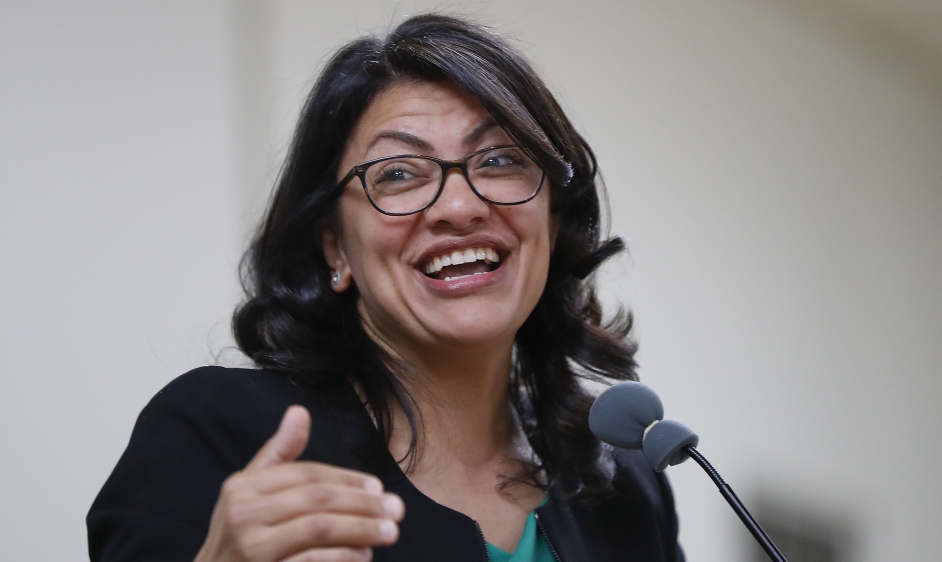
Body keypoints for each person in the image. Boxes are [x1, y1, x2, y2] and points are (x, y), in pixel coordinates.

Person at [88, 13, 684, 562]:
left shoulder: (624, 484)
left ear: (552, 222)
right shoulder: (220, 436)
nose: (459, 205)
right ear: (336, 248)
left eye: (500, 160)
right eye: (397, 173)